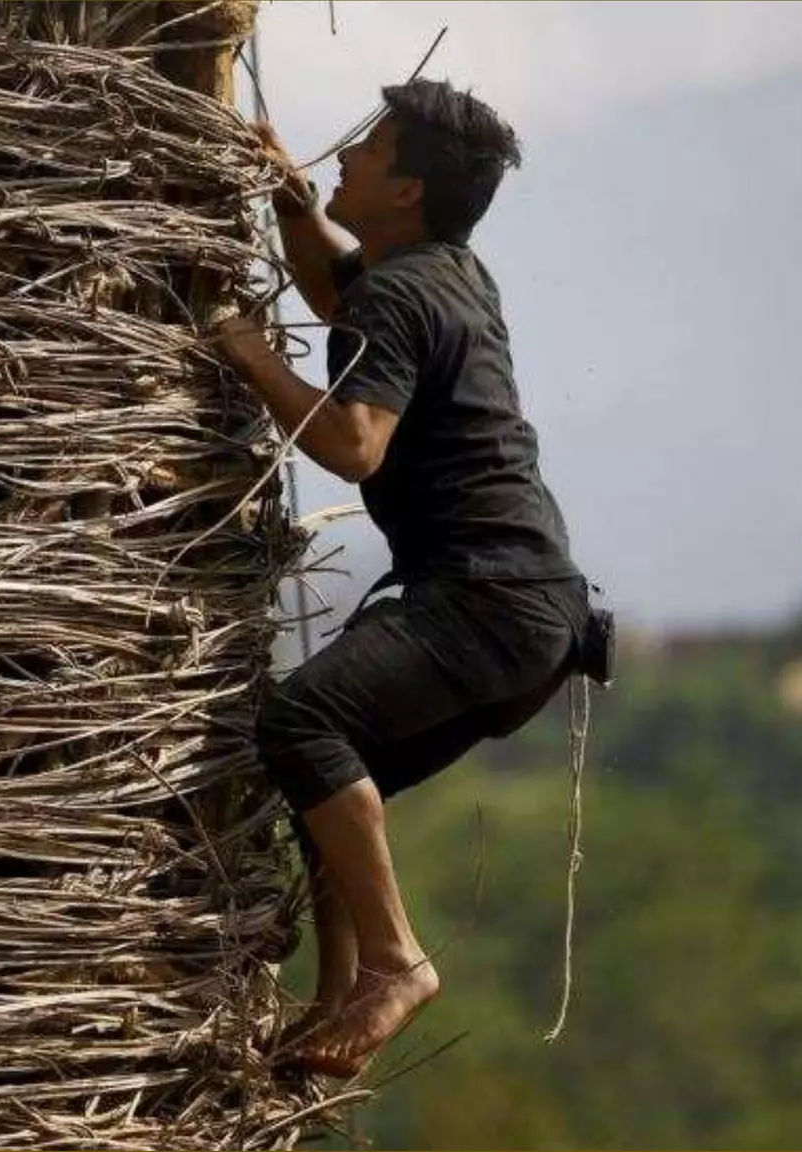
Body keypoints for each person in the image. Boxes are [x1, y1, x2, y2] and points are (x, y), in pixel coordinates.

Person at [212, 79, 600, 1079]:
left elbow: (353, 444)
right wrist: (292, 205)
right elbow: (340, 295)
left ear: (407, 191)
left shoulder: (399, 290)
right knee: (336, 780)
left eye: (369, 149)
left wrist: (249, 355)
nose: (345, 154)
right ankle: (338, 996)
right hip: (538, 618)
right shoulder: (449, 274)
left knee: (301, 726)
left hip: (480, 598)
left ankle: (393, 962)